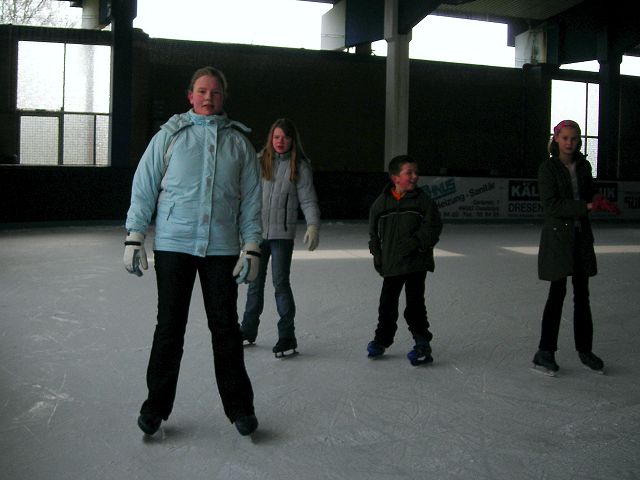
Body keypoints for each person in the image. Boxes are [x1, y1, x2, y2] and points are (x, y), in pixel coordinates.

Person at [123, 66, 262, 436]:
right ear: (190, 95)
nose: (208, 98)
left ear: (223, 97)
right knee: (169, 327)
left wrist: (251, 245)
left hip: (221, 248)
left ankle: (240, 409)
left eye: (215, 92)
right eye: (201, 91)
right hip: (174, 244)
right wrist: (135, 234)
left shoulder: (239, 144)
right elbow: (145, 185)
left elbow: (251, 200)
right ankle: (155, 408)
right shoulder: (169, 136)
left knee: (226, 329)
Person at [533, 119, 620, 376]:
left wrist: (597, 198)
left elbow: (589, 191)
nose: (569, 143)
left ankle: (585, 350)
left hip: (581, 239)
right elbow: (552, 205)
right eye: (565, 138)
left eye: (574, 138)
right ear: (556, 139)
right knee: (557, 295)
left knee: (582, 296)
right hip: (559, 241)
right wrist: (587, 206)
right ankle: (545, 352)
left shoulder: (583, 166)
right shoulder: (548, 168)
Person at [240, 118, 321, 358]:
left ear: (292, 140)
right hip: (257, 234)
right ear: (271, 138)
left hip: (282, 236)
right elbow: (246, 196)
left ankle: (287, 336)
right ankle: (247, 330)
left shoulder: (299, 167)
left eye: (285, 137)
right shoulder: (258, 162)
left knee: (280, 284)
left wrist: (313, 225)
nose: (280, 141)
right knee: (254, 284)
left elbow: (308, 200)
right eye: (276, 137)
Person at [367, 155, 443, 366]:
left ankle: (422, 342)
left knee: (415, 305)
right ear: (395, 177)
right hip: (392, 263)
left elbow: (433, 227)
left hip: (416, 263)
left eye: (416, 172)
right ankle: (381, 340)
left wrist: (416, 243)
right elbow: (373, 234)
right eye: (409, 173)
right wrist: (377, 254)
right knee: (387, 305)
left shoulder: (423, 202)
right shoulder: (381, 204)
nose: (415, 176)